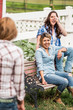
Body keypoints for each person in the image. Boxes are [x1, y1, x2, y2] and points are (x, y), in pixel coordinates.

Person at [35, 32, 73, 105]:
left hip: (53, 72)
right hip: (45, 75)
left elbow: (65, 48)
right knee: (64, 81)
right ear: (41, 42)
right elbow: (40, 65)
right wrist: (42, 79)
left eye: (48, 40)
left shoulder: (52, 48)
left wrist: (60, 51)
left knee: (69, 75)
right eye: (44, 40)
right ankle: (56, 98)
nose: (47, 42)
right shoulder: (39, 51)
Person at [0, 17, 25, 110]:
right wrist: (21, 101)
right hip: (6, 99)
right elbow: (18, 81)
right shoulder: (16, 52)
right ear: (14, 32)